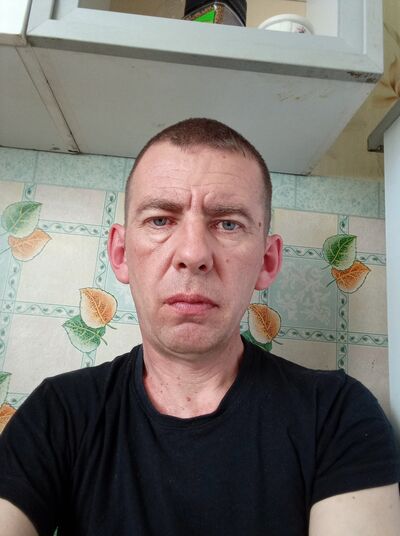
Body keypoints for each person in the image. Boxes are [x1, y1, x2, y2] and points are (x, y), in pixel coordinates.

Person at [0, 118, 399, 536]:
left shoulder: (336, 415)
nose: (193, 254)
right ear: (120, 253)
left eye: (228, 223)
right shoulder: (57, 414)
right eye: (160, 220)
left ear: (267, 261)